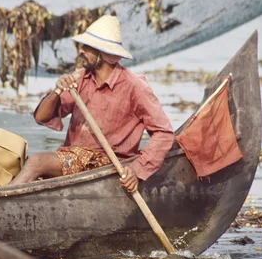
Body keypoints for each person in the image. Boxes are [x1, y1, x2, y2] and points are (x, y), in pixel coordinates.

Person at [9, 15, 174, 192]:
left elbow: (164, 133)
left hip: (107, 163)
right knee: (19, 160)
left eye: (87, 47)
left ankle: (2, 200)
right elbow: (42, 117)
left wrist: (137, 169)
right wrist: (57, 92)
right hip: (73, 158)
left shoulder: (135, 87)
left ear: (104, 54)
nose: (81, 51)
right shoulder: (80, 79)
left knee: (37, 162)